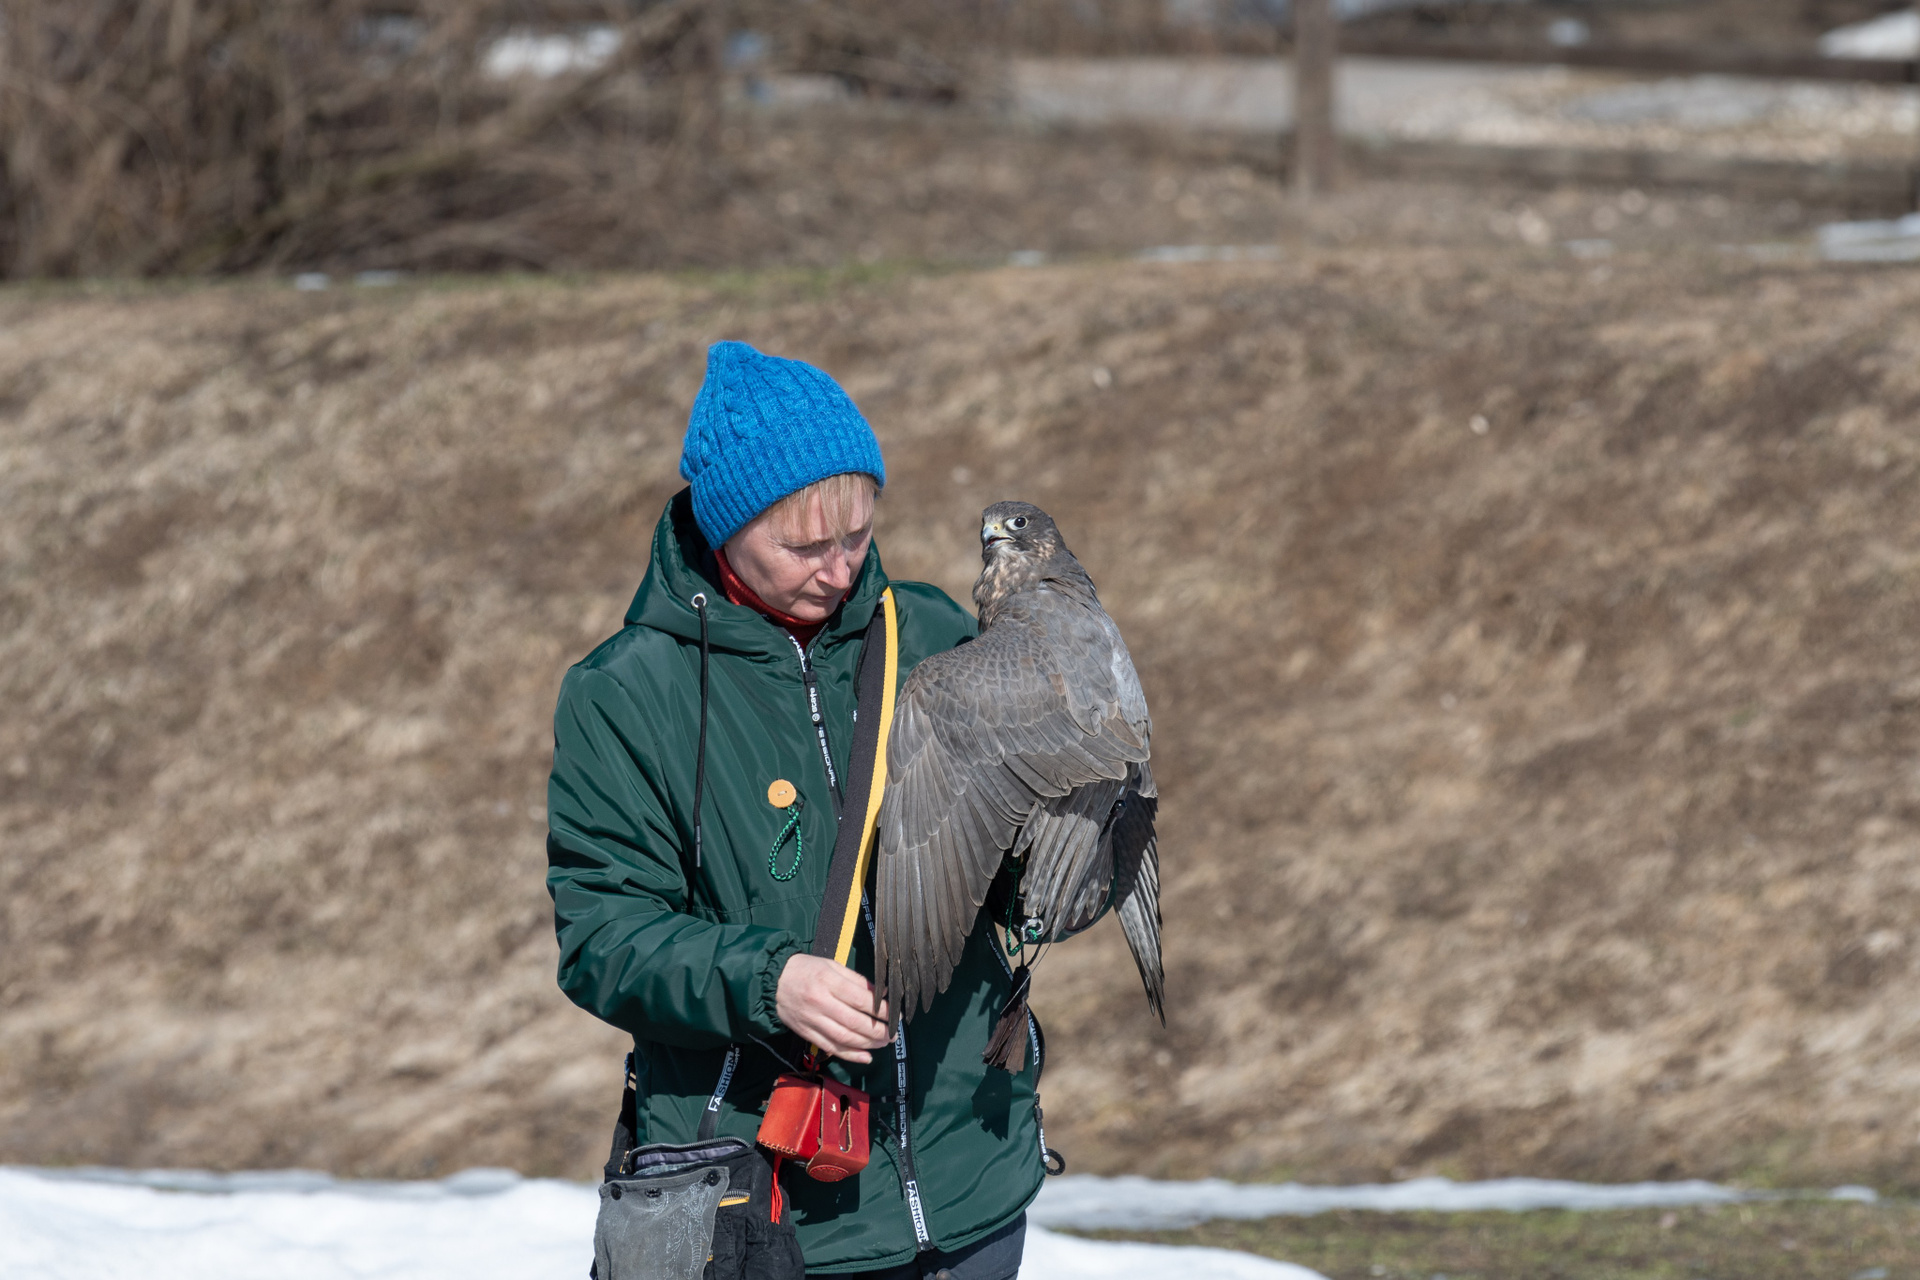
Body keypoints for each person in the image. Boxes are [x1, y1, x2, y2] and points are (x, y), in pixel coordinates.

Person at [546, 341, 1043, 1279]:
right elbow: (603, 941)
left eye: (856, 535)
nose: (840, 570)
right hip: (767, 1209)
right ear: (724, 528)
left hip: (971, 1181)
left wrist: (1067, 858)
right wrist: (771, 982)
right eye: (804, 547)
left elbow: (1012, 862)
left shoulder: (934, 634)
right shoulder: (626, 694)